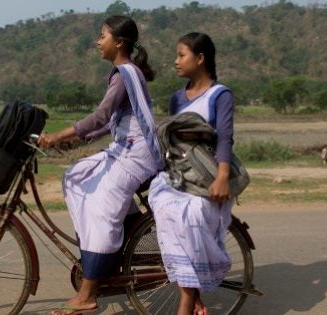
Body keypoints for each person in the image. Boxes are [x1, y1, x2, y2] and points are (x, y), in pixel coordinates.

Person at [38, 15, 163, 315]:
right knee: (76, 176)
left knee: (102, 210)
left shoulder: (124, 74)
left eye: (103, 35)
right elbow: (111, 123)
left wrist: (58, 135)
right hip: (126, 149)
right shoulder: (127, 73)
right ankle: (123, 235)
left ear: (118, 42)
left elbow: (100, 116)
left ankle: (89, 294)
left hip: (136, 155)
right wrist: (75, 141)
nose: (98, 41)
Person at [147, 32, 235, 315]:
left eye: (181, 55)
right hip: (179, 176)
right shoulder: (176, 99)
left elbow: (224, 138)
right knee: (165, 208)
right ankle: (192, 295)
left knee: (195, 214)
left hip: (208, 179)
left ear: (200, 58)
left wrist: (222, 177)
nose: (176, 61)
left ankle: (187, 300)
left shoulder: (220, 96)